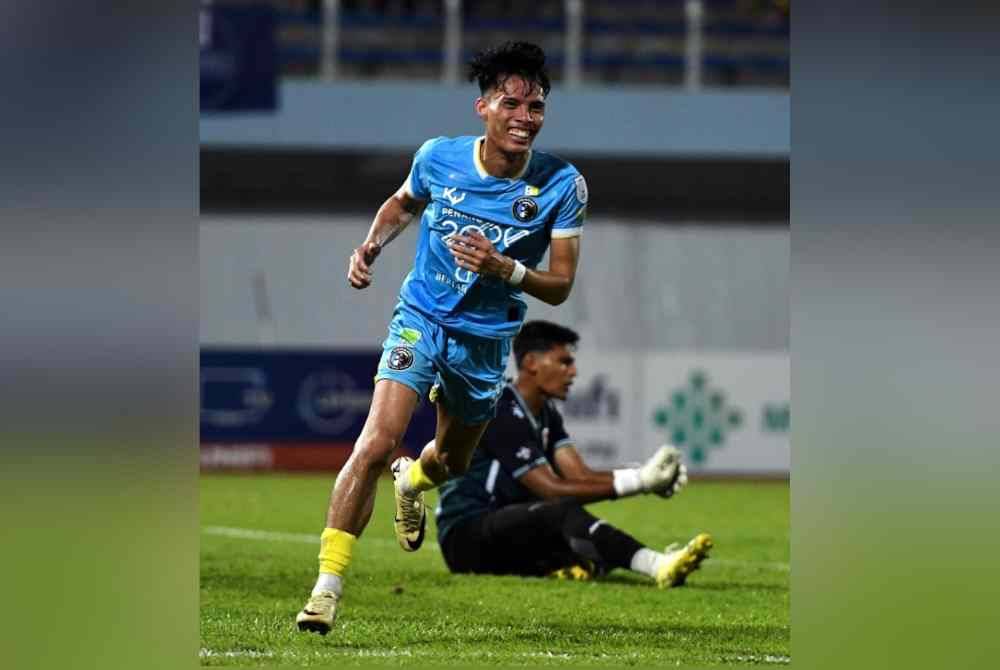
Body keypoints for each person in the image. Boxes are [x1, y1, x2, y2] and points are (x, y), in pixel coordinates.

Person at [297, 42, 636, 635]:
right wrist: (371, 246)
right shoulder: (438, 157)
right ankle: (326, 587)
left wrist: (503, 268)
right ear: (483, 107)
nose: (525, 117)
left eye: (536, 106)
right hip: (420, 318)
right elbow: (403, 203)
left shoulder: (562, 184)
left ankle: (415, 480)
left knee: (450, 462)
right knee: (376, 443)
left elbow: (558, 286)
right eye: (512, 103)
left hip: (483, 342)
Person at [435, 321, 714, 586]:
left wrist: (642, 477)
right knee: (563, 513)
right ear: (531, 363)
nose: (573, 372)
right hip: (466, 536)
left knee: (588, 542)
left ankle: (565, 566)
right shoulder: (499, 409)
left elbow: (580, 476)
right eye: (564, 361)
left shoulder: (546, 414)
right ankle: (658, 566)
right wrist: (641, 481)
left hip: (509, 528)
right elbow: (553, 490)